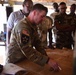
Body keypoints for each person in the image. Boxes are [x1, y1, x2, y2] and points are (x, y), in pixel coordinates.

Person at [6, 3, 59, 72]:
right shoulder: (23, 27)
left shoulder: (32, 25)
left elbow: (37, 43)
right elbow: (27, 49)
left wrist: (46, 57)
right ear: (34, 13)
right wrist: (47, 60)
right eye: (42, 16)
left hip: (23, 59)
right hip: (15, 62)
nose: (43, 19)